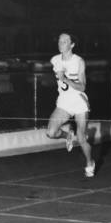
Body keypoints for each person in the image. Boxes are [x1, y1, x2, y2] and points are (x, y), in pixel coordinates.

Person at [46, 33, 95, 177]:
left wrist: (65, 79)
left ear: (72, 45)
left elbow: (83, 87)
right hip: (64, 101)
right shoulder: (54, 59)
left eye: (65, 41)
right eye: (60, 41)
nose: (61, 43)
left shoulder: (79, 61)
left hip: (79, 101)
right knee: (51, 133)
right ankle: (68, 135)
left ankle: (89, 162)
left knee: (81, 138)